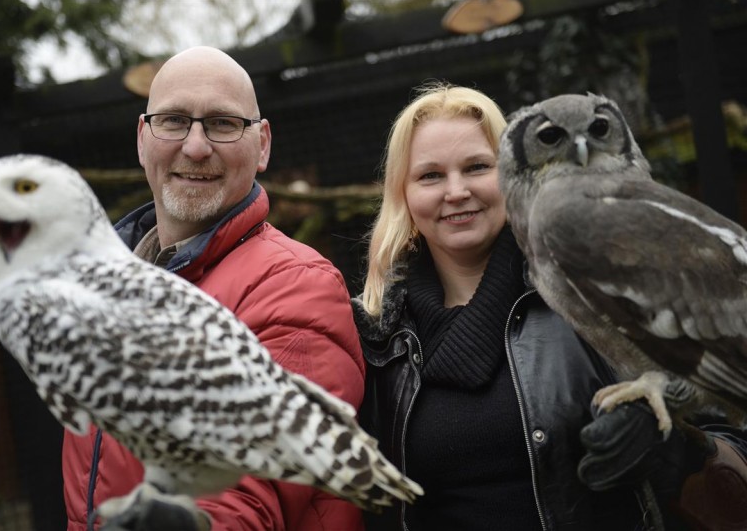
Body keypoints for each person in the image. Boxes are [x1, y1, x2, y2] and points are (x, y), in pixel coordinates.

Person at [351, 82, 747, 530]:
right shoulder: (377, 334)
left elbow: (731, 436)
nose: (456, 190)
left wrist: (679, 452)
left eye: (477, 166)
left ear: (507, 170)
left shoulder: (581, 274)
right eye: (430, 176)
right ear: (402, 194)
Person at [62, 46, 366, 531]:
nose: (197, 146)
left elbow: (240, 496)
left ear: (262, 144)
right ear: (143, 139)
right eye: (174, 120)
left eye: (223, 123)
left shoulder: (295, 287)